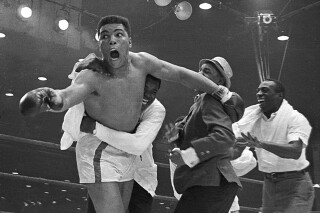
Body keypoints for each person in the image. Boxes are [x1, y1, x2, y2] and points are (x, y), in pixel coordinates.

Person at [19, 15, 232, 213]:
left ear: (129, 41)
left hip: (129, 157)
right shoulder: (92, 74)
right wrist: (52, 98)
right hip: (99, 152)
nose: (112, 40)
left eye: (118, 34)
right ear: (99, 43)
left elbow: (179, 74)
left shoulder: (142, 64)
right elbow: (68, 95)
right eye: (105, 36)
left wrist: (219, 91)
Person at [165, 57, 244, 213]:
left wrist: (188, 155)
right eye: (199, 70)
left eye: (206, 71)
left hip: (210, 182)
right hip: (212, 182)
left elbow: (225, 137)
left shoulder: (208, 99)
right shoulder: (199, 102)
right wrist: (177, 137)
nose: (199, 74)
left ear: (219, 81)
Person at [82, 74, 164, 213]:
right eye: (145, 88)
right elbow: (75, 122)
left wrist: (96, 129)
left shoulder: (156, 109)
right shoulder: (112, 95)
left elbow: (137, 146)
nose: (148, 95)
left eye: (154, 92)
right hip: (106, 167)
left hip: (140, 177)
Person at [233, 79, 315, 213]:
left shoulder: (295, 118)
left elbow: (295, 151)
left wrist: (261, 144)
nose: (259, 93)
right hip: (269, 184)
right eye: (258, 91)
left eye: (265, 90)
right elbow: (237, 151)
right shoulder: (252, 119)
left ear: (280, 95)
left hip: (295, 184)